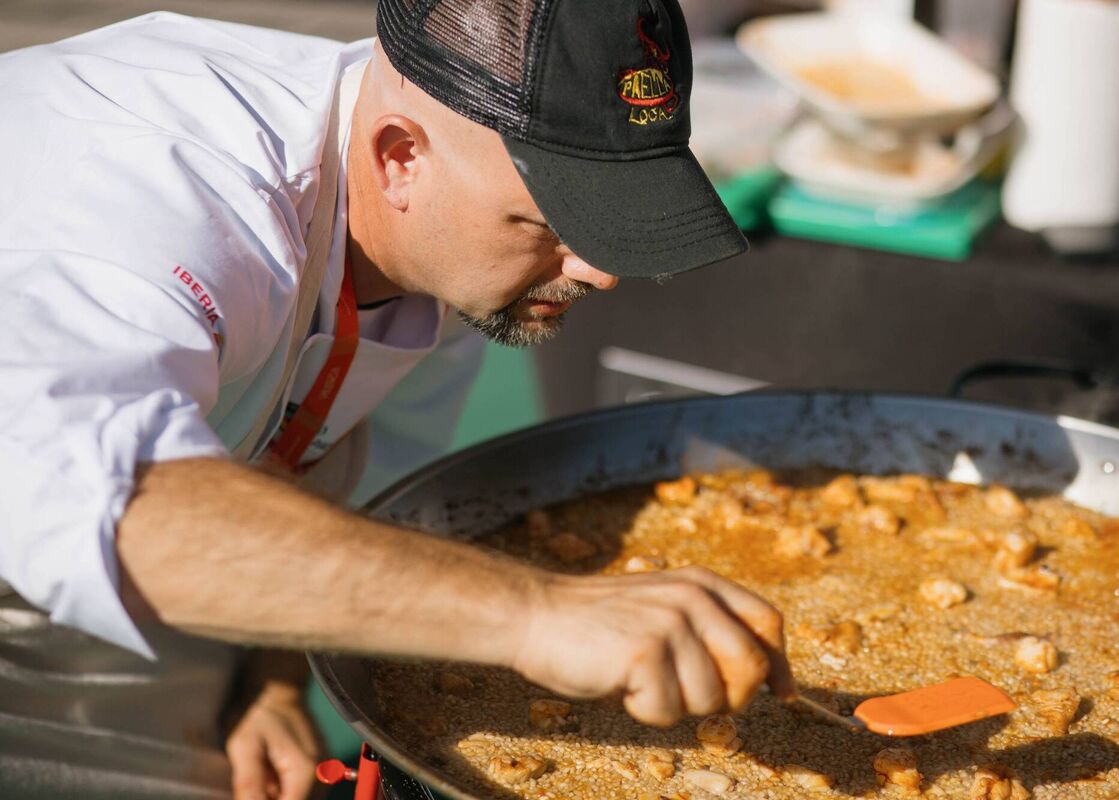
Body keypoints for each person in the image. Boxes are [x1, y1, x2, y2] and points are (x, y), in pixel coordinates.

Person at [0, 1, 795, 798]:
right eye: (553, 219)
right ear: (400, 157)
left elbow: (349, 481)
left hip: (156, 580)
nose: (598, 270)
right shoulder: (162, 199)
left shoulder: (450, 240)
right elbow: (115, 504)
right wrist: (538, 613)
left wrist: (272, 678)